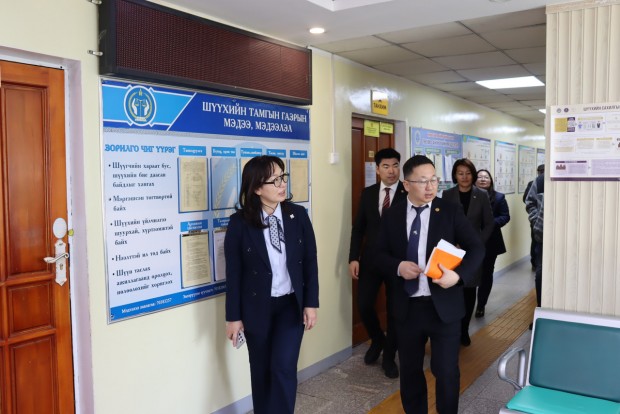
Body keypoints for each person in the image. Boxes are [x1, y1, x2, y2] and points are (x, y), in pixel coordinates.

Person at [375, 155, 485, 414]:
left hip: (444, 308)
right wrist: (398, 267)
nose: (430, 187)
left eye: (434, 180)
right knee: (410, 372)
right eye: (422, 181)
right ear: (406, 185)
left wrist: (458, 276)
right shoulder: (392, 215)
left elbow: (477, 248)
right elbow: (376, 254)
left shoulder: (449, 211)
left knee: (446, 372)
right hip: (407, 308)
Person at [224, 155, 319, 414]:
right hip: (257, 307)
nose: (282, 184)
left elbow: (310, 261)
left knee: (283, 367)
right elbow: (234, 273)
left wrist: (311, 303)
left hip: (290, 305)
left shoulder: (297, 215)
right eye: (274, 180)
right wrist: (233, 318)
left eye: (283, 177)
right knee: (261, 370)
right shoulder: (240, 223)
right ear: (257, 188)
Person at [348, 147, 407, 378]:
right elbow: (358, 228)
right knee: (364, 304)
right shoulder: (368, 193)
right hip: (371, 260)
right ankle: (377, 339)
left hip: (398, 261)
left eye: (395, 166)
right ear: (377, 169)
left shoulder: (407, 192)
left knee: (395, 311)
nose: (391, 171)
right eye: (386, 166)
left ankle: (390, 357)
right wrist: (354, 257)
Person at [440, 158, 493, 346]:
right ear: (455, 175)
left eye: (468, 173)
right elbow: (443, 222)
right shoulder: (447, 195)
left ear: (473, 175)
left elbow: (489, 224)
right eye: (460, 173)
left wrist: (476, 244)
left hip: (472, 253)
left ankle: (464, 329)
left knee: (469, 290)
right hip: (452, 251)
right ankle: (453, 328)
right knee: (453, 290)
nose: (464, 177)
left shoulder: (482, 195)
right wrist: (451, 244)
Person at [474, 169, 510, 318]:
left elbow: (505, 216)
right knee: (470, 273)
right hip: (470, 242)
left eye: (486, 177)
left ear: (490, 180)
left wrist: (490, 223)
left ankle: (481, 305)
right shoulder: (469, 196)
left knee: (486, 274)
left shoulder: (499, 197)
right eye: (480, 177)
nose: (483, 179)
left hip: (490, 242)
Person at [525, 172, 544, 309]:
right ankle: (541, 308)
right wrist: (537, 222)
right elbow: (530, 202)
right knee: (541, 274)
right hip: (543, 237)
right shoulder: (541, 180)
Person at [523, 164, 544, 270]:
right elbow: (528, 201)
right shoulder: (538, 182)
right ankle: (534, 264)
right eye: (540, 171)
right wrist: (536, 220)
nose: (541, 172)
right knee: (535, 244)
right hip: (539, 226)